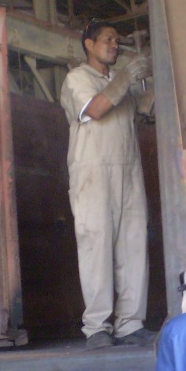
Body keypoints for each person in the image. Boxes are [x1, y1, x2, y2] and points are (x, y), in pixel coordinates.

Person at [59, 21, 156, 349]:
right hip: (92, 174)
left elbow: (144, 108)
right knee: (96, 247)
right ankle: (97, 327)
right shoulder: (77, 79)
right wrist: (128, 77)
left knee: (132, 245)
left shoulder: (119, 83)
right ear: (89, 43)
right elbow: (97, 109)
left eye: (117, 40)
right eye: (108, 39)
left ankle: (130, 323)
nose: (115, 44)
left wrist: (157, 71)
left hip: (128, 171)